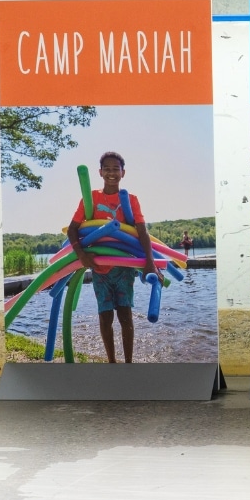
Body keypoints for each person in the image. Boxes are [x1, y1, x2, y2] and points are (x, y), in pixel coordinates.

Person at [67, 151, 158, 364]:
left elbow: (141, 231)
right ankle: (111, 363)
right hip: (99, 267)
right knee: (105, 316)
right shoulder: (90, 199)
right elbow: (72, 229)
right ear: (100, 172)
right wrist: (81, 255)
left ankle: (128, 364)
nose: (111, 173)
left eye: (116, 169)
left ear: (123, 173)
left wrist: (150, 262)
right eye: (107, 169)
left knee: (125, 316)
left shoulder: (131, 200)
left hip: (124, 267)